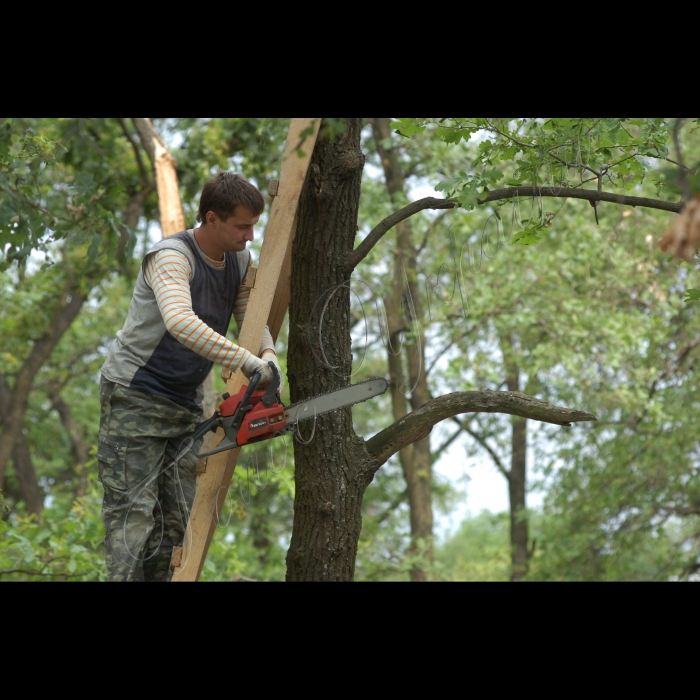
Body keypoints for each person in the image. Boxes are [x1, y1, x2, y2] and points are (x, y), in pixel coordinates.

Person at [97, 173, 281, 582]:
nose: (251, 235)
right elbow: (181, 321)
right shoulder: (171, 257)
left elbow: (250, 317)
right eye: (242, 226)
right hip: (135, 395)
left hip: (183, 405)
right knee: (133, 518)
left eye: (254, 225)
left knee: (175, 524)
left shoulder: (238, 259)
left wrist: (267, 355)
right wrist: (248, 363)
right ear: (212, 218)